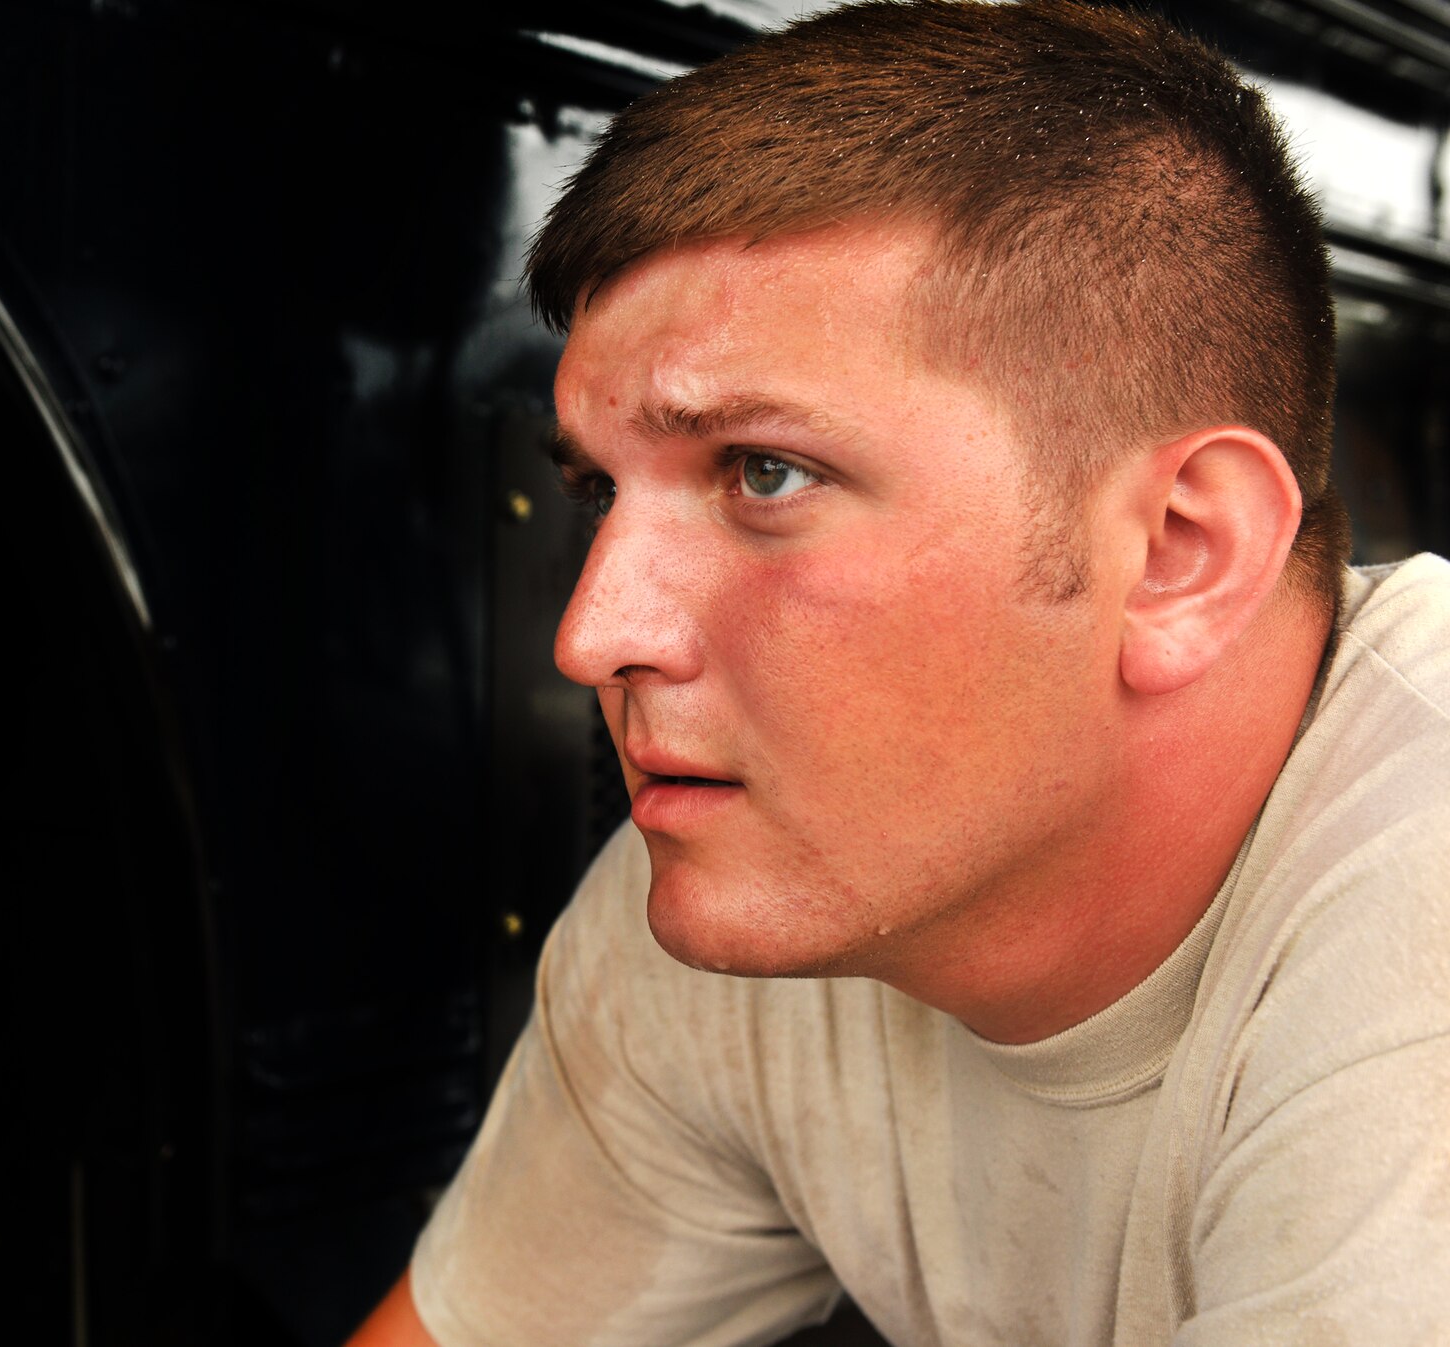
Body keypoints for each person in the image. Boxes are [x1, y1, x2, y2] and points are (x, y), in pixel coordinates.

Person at [348, 1, 1449, 1343]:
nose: (593, 637)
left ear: (1177, 552)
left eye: (766, 472)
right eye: (596, 490)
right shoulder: (752, 895)